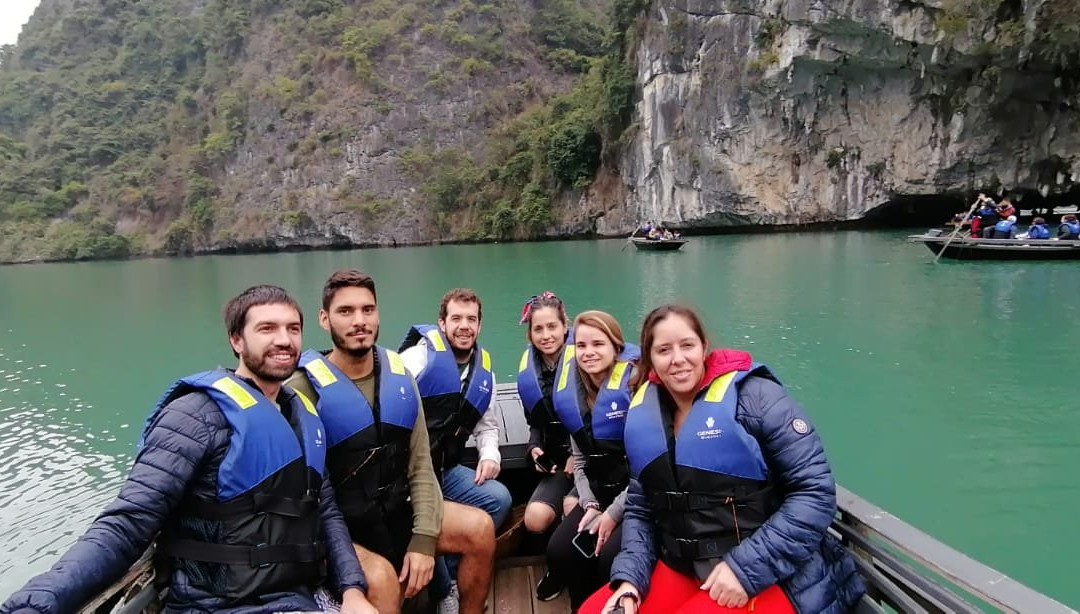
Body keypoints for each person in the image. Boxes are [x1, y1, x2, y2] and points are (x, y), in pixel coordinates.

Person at [1, 285, 375, 613]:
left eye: (293, 329)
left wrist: (352, 590)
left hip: (294, 596)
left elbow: (325, 509)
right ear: (237, 341)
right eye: (267, 329)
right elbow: (128, 522)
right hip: (217, 605)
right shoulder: (195, 416)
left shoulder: (301, 415)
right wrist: (38, 603)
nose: (284, 340)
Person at [580, 305, 864, 614]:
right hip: (687, 566)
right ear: (650, 359)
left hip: (774, 571)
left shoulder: (756, 398)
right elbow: (640, 505)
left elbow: (815, 493)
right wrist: (631, 580)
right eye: (663, 350)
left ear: (703, 347)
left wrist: (743, 569)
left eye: (687, 345)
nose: (677, 359)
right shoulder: (646, 414)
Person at [287, 270, 496, 614]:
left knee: (480, 528)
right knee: (383, 580)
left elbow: (420, 464)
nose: (359, 320)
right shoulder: (301, 389)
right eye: (346, 311)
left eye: (368, 310)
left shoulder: (398, 373)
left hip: (397, 508)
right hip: (345, 528)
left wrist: (424, 538)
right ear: (324, 319)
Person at [399, 288, 512, 609]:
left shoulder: (483, 370)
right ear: (442, 323)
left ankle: (447, 571)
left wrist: (490, 455)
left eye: (471, 319)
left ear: (479, 325)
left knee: (499, 499)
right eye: (457, 318)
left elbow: (486, 426)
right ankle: (444, 591)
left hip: (446, 471)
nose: (465, 326)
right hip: (410, 476)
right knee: (426, 515)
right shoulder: (416, 360)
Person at [545, 310, 640, 609]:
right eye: (581, 346)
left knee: (608, 559)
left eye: (597, 344)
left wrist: (612, 513)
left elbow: (647, 470)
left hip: (637, 497)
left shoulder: (635, 392)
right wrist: (589, 503)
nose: (588, 353)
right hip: (599, 494)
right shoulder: (574, 395)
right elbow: (581, 460)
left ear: (616, 348)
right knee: (560, 551)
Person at [517, 291, 577, 601]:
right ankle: (559, 559)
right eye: (538, 329)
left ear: (565, 326)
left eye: (552, 327)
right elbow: (535, 421)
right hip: (556, 462)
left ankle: (565, 566)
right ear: (530, 333)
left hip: (588, 459)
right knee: (534, 519)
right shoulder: (531, 370)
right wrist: (534, 447)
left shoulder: (585, 360)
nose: (546, 335)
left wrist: (577, 456)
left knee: (571, 508)